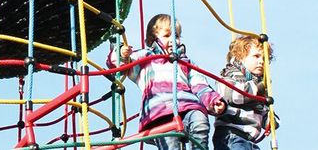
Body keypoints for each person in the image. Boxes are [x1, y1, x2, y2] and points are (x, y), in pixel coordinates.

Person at [110, 14, 226, 149]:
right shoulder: (145, 58)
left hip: (188, 106)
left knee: (200, 121)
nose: (173, 40)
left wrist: (213, 100)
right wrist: (122, 54)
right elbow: (119, 66)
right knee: (170, 142)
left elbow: (200, 85)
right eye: (167, 35)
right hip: (160, 110)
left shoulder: (185, 63)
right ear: (153, 39)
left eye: (176, 36)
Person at [213, 36, 276, 150]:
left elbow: (262, 109)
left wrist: (269, 120)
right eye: (256, 56)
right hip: (231, 135)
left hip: (248, 139)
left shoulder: (258, 83)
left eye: (264, 58)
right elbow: (233, 95)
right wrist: (258, 89)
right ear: (240, 57)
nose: (261, 61)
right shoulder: (230, 75)